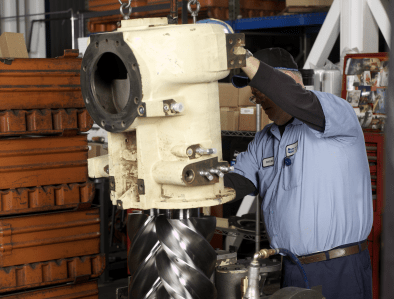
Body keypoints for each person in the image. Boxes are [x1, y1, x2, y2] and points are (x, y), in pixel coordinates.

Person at [224, 48, 373, 299]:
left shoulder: (335, 113)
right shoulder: (264, 140)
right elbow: (238, 182)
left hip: (339, 268)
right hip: (291, 267)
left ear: (289, 81)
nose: (256, 97)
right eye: (254, 92)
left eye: (260, 88)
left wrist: (243, 57)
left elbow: (296, 99)